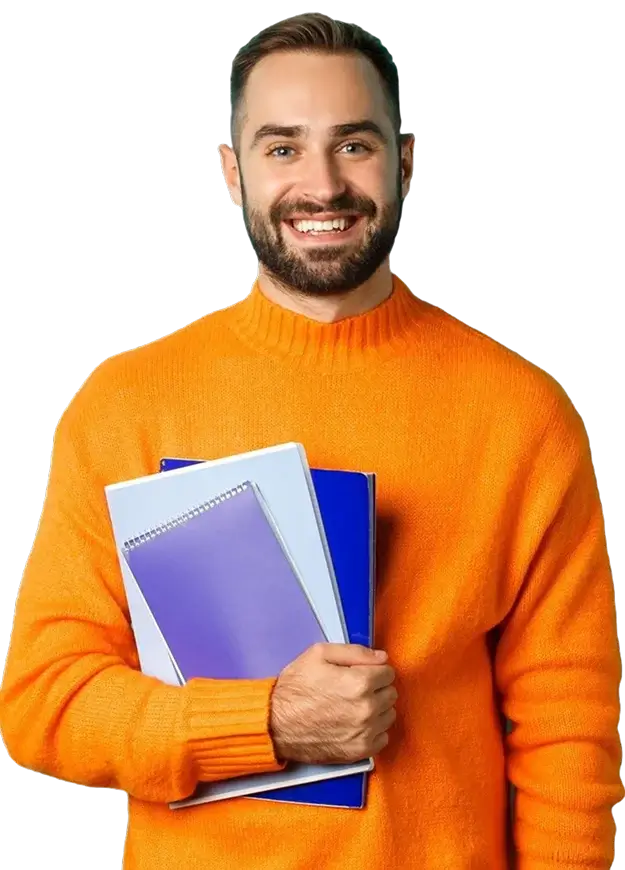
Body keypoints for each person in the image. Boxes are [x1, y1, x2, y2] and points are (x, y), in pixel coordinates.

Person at [1, 11, 622, 869]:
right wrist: (264, 721)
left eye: (354, 145)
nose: (321, 184)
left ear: (405, 162)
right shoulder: (124, 406)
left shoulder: (521, 412)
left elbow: (568, 733)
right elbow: (44, 705)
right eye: (282, 148)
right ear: (231, 174)